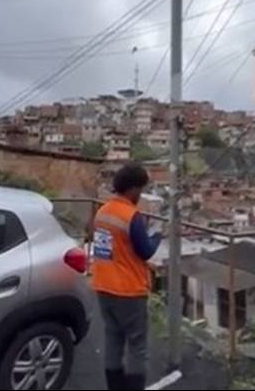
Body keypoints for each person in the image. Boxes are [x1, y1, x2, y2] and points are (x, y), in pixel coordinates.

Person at [91, 163, 162, 390]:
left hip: (103, 286)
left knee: (113, 339)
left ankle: (114, 386)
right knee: (137, 346)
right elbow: (146, 250)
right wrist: (157, 234)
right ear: (132, 189)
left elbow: (113, 249)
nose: (141, 194)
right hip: (128, 291)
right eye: (141, 189)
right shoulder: (131, 216)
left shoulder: (102, 211)